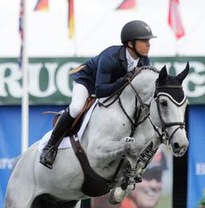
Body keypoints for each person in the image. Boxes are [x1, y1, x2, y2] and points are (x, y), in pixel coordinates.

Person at [39, 20, 156, 169]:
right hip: (88, 83)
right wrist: (122, 82)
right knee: (76, 108)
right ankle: (50, 147)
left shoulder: (144, 61)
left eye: (149, 40)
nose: (148, 44)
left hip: (114, 88)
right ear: (130, 43)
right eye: (144, 40)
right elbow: (100, 91)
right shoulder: (110, 57)